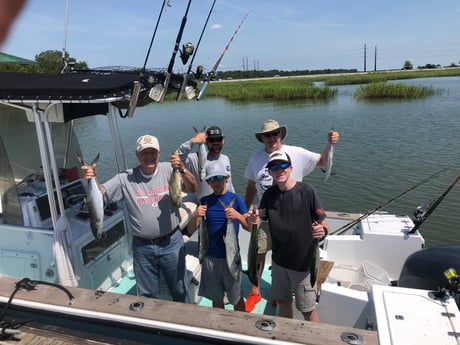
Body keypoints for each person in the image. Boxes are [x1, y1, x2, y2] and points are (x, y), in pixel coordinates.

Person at [81, 134, 197, 302]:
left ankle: (183, 325)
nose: (149, 157)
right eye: (144, 153)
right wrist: (93, 177)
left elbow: (192, 188)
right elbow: (102, 195)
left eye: (152, 152)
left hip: (171, 243)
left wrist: (182, 169)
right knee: (147, 297)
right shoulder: (125, 178)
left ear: (159, 153)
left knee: (179, 289)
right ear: (137, 155)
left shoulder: (169, 169)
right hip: (143, 248)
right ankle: (151, 326)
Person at [243, 119, 339, 312]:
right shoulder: (255, 158)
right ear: (262, 138)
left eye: (275, 134)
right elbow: (252, 184)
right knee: (259, 252)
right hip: (265, 215)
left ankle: (281, 294)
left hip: (292, 217)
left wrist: (330, 145)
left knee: (286, 257)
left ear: (281, 135)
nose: (271, 138)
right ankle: (256, 290)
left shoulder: (296, 153)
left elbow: (322, 161)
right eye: (267, 135)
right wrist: (246, 209)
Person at [248, 150, 330, 321]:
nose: (280, 170)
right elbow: (259, 218)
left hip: (303, 265)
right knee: (283, 302)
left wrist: (323, 231)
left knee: (307, 309)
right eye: (274, 167)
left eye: (283, 165)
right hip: (278, 264)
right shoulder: (269, 195)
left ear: (291, 168)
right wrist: (253, 218)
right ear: (269, 172)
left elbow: (323, 222)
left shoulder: (307, 191)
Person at [188, 160, 248, 311]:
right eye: (212, 179)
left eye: (219, 178)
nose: (216, 182)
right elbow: (190, 230)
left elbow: (250, 228)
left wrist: (238, 216)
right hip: (210, 259)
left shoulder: (237, 199)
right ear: (208, 182)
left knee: (237, 299)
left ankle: (242, 327)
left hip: (232, 256)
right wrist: (196, 215)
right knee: (216, 299)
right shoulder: (204, 201)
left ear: (227, 178)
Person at [177, 126, 235, 201]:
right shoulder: (195, 159)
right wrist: (193, 141)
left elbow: (229, 184)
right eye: (212, 140)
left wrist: (234, 199)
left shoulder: (226, 159)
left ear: (223, 140)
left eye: (219, 139)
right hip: (205, 207)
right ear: (206, 142)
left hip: (226, 206)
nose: (215, 142)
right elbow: (177, 158)